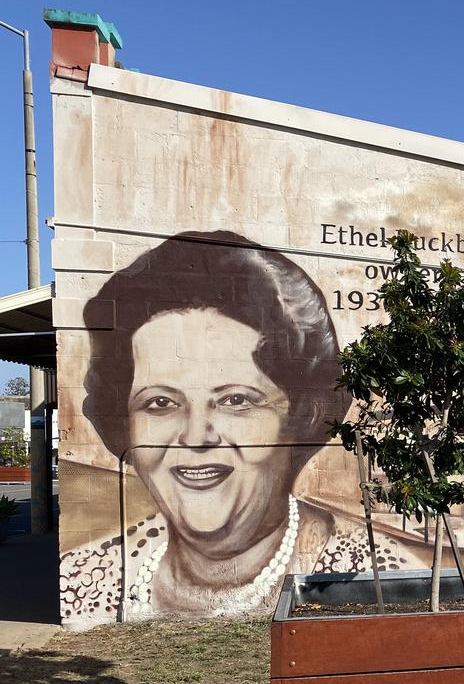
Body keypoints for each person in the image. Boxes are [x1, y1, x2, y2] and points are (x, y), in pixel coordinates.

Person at [60, 231, 417, 624]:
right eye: (160, 403)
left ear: (300, 415)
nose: (196, 437)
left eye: (236, 401)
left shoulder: (379, 575)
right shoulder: (87, 578)